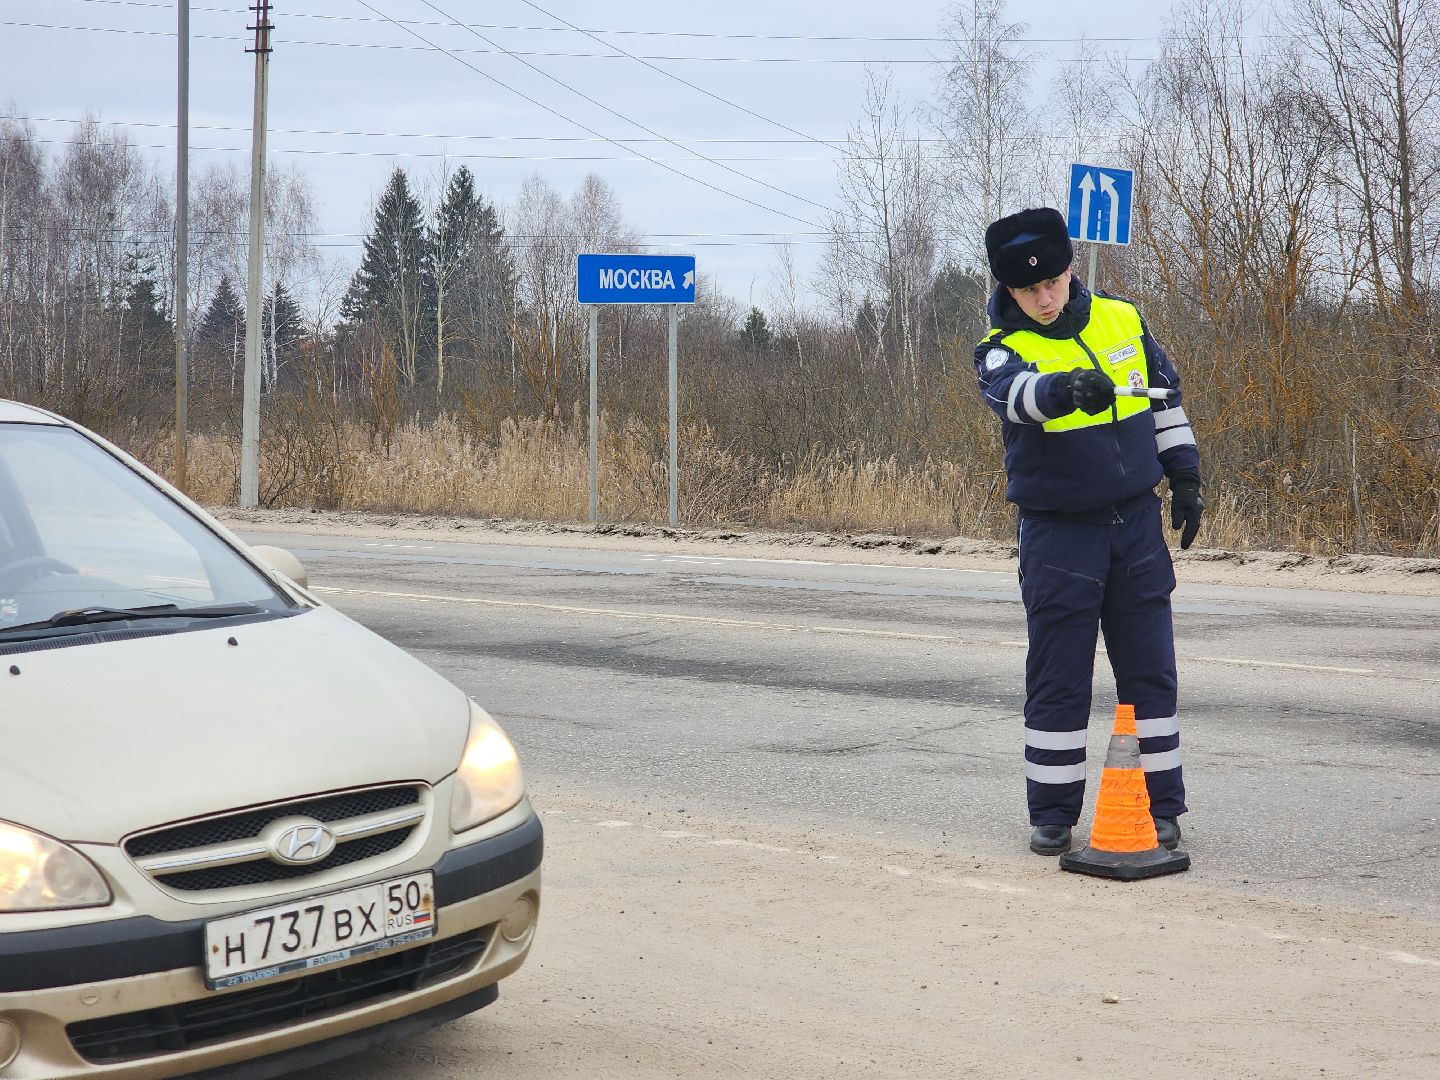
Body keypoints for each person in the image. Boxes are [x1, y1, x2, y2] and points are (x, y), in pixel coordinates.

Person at [972, 207, 1204, 856]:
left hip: (1135, 525)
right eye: (1028, 291)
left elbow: (1163, 400)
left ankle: (1161, 808)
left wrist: (1185, 477)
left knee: (1151, 675)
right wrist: (1068, 389)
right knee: (1059, 681)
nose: (1044, 299)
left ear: (1072, 268)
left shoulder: (1124, 317)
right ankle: (1051, 813)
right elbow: (1015, 396)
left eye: (1053, 283)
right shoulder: (1000, 348)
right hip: (1059, 537)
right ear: (1009, 291)